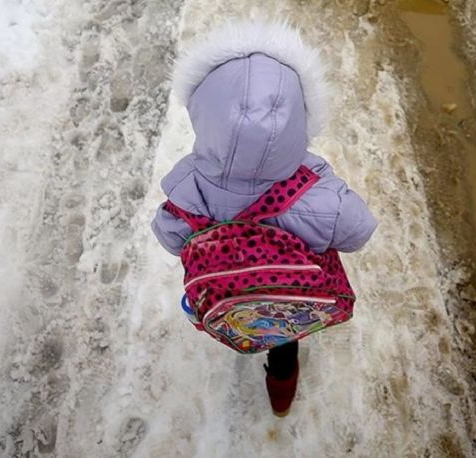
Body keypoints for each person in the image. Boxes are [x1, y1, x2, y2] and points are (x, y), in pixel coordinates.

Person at [151, 20, 378, 416]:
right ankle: (281, 397)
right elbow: (358, 231)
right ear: (300, 121)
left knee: (243, 315)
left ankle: (241, 331)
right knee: (283, 341)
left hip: (226, 292)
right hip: (286, 294)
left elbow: (169, 234)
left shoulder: (189, 187)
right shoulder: (318, 196)